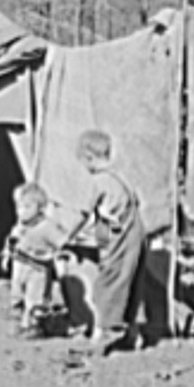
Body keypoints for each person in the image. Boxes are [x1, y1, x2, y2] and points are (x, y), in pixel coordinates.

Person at [64, 129, 147, 353]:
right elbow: (111, 214)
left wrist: (66, 236)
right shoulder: (121, 177)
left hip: (122, 236)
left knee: (106, 285)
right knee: (129, 282)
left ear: (89, 157)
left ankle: (104, 333)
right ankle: (133, 333)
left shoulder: (99, 182)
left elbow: (84, 213)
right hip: (135, 233)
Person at [1, 182, 70, 338]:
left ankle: (35, 326)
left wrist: (61, 256)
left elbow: (62, 242)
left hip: (37, 268)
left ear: (40, 208)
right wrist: (6, 256)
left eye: (27, 207)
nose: (21, 212)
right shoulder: (20, 226)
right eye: (19, 208)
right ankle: (16, 322)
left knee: (35, 298)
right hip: (19, 267)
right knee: (16, 296)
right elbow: (11, 241)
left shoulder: (46, 227)